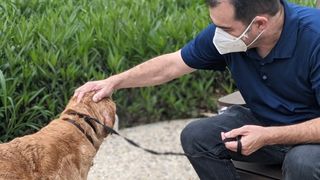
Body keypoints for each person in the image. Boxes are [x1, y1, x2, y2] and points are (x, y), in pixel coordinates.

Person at [73, 0, 320, 179]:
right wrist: (114, 81)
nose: (219, 34)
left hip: (311, 138)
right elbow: (171, 65)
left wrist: (268, 136)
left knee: (302, 163)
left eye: (226, 29)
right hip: (265, 123)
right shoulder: (228, 36)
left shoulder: (314, 37)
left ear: (259, 24)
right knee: (197, 136)